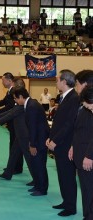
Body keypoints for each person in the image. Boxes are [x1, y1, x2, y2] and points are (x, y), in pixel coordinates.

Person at [46, 69, 79, 217]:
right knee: (62, 176)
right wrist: (50, 137)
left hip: (65, 144)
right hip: (60, 143)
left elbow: (68, 124)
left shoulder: (73, 98)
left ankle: (71, 207)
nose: (56, 82)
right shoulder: (64, 97)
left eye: (57, 80)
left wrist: (55, 140)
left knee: (68, 176)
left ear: (64, 82)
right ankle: (66, 201)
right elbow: (58, 122)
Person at [0, 80, 34, 186]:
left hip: (24, 134)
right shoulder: (19, 100)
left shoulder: (24, 101)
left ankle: (36, 178)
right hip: (19, 133)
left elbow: (12, 114)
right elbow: (12, 110)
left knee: (29, 158)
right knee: (14, 153)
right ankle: (7, 173)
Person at [69, 70, 93, 220]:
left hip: (88, 155)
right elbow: (78, 129)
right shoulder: (85, 103)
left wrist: (89, 155)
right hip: (80, 151)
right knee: (85, 190)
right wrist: (73, 145)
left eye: (77, 84)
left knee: (89, 191)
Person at [17, 87, 49, 196]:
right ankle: (37, 185)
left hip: (39, 140)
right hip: (39, 138)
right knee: (36, 164)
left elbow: (33, 127)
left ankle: (42, 188)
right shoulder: (32, 103)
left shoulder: (31, 106)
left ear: (21, 97)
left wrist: (32, 144)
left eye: (16, 99)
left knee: (39, 164)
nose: (15, 101)